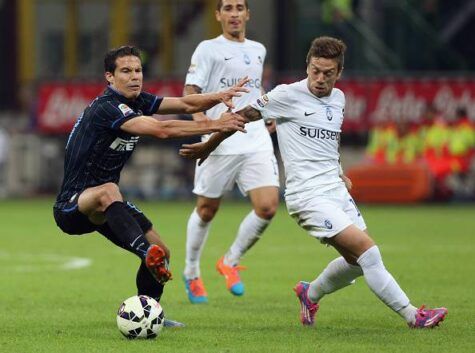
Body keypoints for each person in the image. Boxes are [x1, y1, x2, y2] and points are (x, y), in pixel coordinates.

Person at [180, 36, 448, 329]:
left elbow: (329, 141)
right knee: (369, 253)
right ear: (307, 66)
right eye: (315, 71)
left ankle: (311, 293)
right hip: (307, 196)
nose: (320, 79)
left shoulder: (339, 99)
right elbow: (239, 117)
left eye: (327, 73)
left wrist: (339, 171)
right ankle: (413, 316)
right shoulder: (286, 95)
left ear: (339, 73)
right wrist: (207, 144)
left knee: (357, 263)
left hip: (335, 190)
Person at [52, 46, 247, 326]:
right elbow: (162, 129)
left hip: (108, 205)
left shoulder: (138, 101)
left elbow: (186, 105)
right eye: (126, 71)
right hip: (73, 206)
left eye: (138, 70)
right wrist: (217, 125)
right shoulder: (107, 108)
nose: (135, 77)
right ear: (110, 76)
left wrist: (219, 96)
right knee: (109, 191)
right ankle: (146, 253)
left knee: (162, 251)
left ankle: (148, 313)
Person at [181, 0, 280, 303]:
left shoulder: (258, 49)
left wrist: (268, 110)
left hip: (254, 137)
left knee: (268, 207)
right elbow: (190, 92)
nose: (234, 13)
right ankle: (191, 272)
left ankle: (230, 261)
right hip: (220, 137)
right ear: (219, 15)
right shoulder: (207, 49)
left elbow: (254, 90)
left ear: (247, 13)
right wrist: (203, 125)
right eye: (228, 8)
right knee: (207, 210)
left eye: (239, 7)